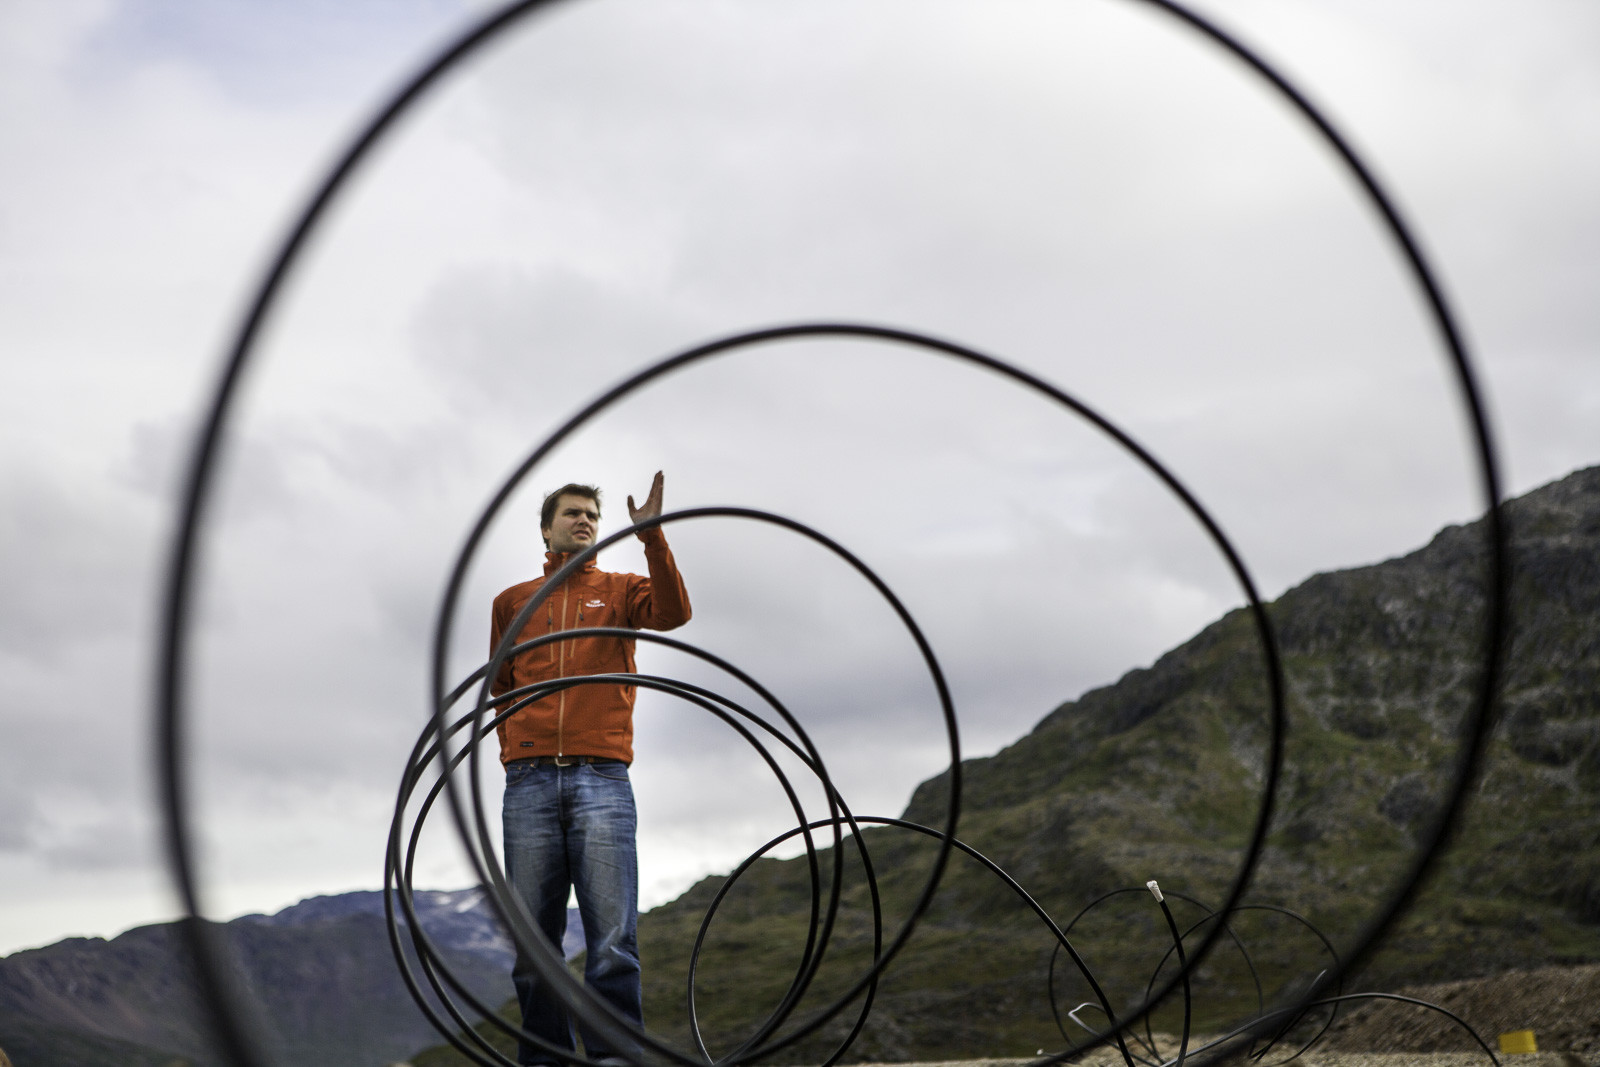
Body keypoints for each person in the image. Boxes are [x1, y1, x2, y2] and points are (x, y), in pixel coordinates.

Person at [489, 472, 691, 1067]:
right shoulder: (512, 601)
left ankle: (613, 1059)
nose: (584, 521)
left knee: (612, 941)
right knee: (534, 944)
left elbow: (674, 613)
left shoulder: (622, 590)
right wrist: (515, 751)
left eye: (592, 516)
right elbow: (501, 687)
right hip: (529, 780)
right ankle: (546, 1060)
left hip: (601, 778)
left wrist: (652, 537)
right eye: (572, 513)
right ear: (546, 528)